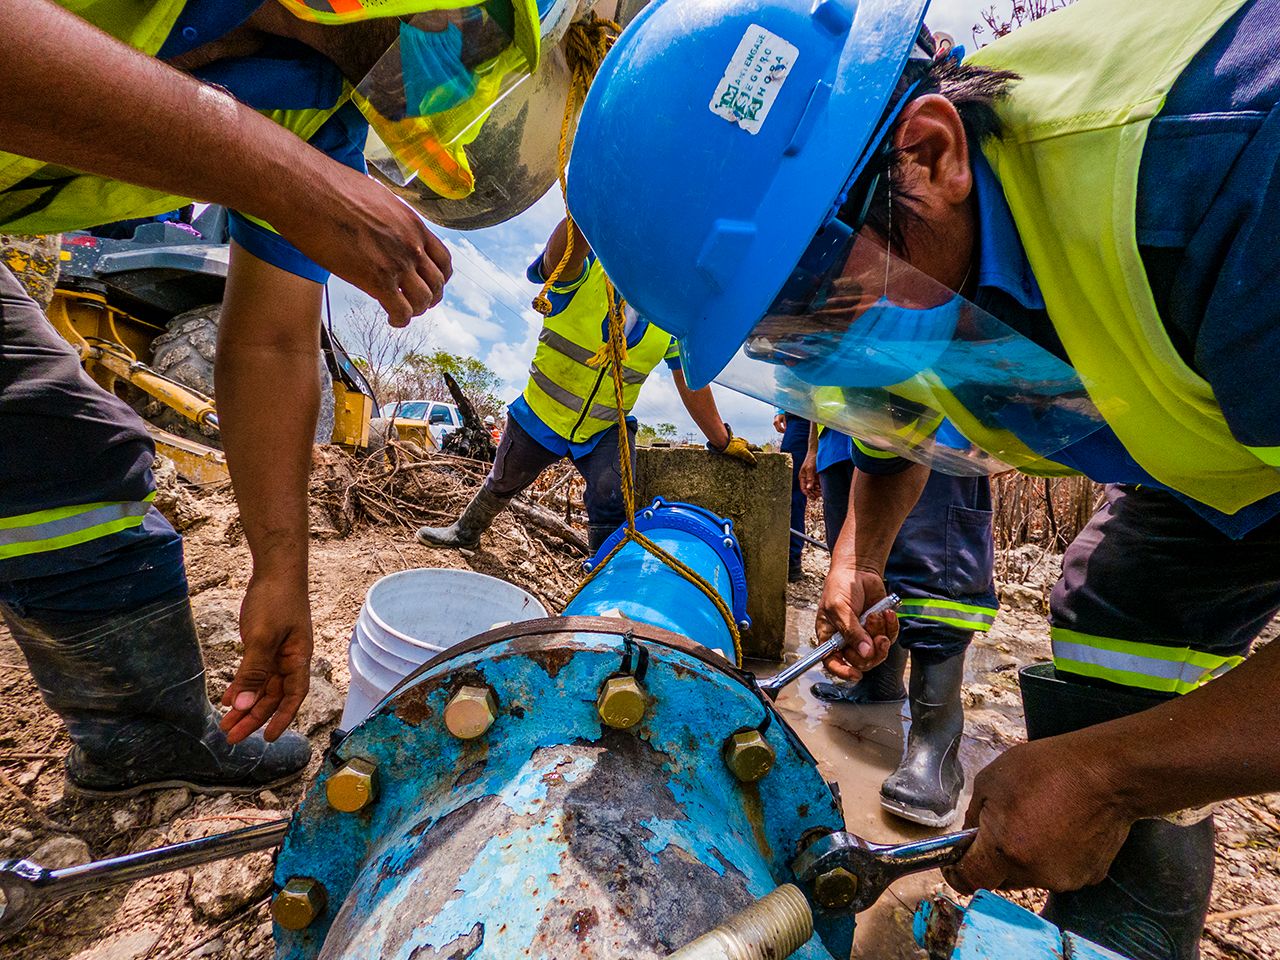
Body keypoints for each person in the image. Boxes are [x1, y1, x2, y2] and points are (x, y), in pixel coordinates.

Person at [570, 1, 1280, 957]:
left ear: (933, 152)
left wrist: (1112, 774)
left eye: (821, 303)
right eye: (783, 343)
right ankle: (1129, 932)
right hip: (1226, 430)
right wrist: (857, 558)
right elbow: (900, 419)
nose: (826, 358)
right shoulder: (927, 242)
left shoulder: (1236, 174)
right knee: (1121, 617)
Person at [0, 0, 541, 796]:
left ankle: (141, 741)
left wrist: (279, 569)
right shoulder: (299, 152)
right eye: (467, 31)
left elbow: (272, 341)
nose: (452, 72)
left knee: (69, 459)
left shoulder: (322, 118)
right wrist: (285, 181)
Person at [417, 219, 758, 554]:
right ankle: (465, 532)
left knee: (612, 497)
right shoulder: (584, 272)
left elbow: (691, 383)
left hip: (605, 428)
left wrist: (722, 441)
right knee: (503, 480)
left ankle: (603, 571)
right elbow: (559, 258)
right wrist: (592, 198)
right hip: (541, 414)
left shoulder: (670, 319)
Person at [801, 425, 997, 827]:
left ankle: (935, 737)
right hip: (848, 434)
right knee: (867, 577)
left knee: (931, 565)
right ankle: (878, 684)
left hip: (940, 427)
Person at [775, 409, 810, 580]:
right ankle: (791, 560)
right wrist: (781, 408)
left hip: (840, 415)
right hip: (800, 413)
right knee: (790, 487)